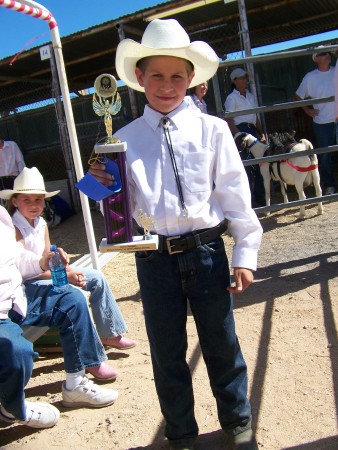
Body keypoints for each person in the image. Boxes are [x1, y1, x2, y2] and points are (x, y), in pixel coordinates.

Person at [89, 19, 262, 450]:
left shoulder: (213, 130)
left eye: (177, 76)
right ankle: (181, 434)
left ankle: (238, 423)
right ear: (139, 78)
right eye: (157, 76)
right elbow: (116, 212)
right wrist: (99, 184)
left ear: (191, 80)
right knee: (168, 356)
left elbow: (235, 193)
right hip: (154, 259)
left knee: (222, 344)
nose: (167, 85)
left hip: (206, 252)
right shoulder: (121, 140)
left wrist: (245, 251)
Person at [0, 207, 117, 429]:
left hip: (18, 296)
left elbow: (16, 257)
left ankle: (76, 385)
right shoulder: (14, 220)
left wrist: (44, 262)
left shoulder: (3, 216)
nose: (34, 203)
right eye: (27, 198)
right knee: (18, 352)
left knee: (72, 299)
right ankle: (11, 408)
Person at [0, 167, 136, 353]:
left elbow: (47, 257)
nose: (34, 205)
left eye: (38, 199)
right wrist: (67, 274)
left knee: (96, 277)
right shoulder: (13, 227)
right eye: (26, 200)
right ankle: (90, 350)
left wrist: (64, 266)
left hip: (44, 274)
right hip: (27, 284)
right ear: (15, 201)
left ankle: (110, 333)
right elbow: (25, 269)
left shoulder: (41, 223)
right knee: (74, 293)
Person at [295, 48, 336, 195]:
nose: (328, 55)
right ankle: (330, 185)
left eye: (328, 53)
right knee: (325, 156)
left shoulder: (336, 70)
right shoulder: (310, 77)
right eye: (324, 54)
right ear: (316, 58)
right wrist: (307, 110)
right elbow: (298, 95)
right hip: (322, 122)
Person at [224, 68, 266, 206]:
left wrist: (261, 133)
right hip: (242, 130)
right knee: (247, 166)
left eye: (245, 78)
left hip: (252, 130)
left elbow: (255, 117)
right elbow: (229, 119)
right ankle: (249, 201)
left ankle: (261, 198)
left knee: (259, 164)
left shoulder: (250, 96)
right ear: (234, 81)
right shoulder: (231, 98)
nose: (244, 80)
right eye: (241, 78)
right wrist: (238, 135)